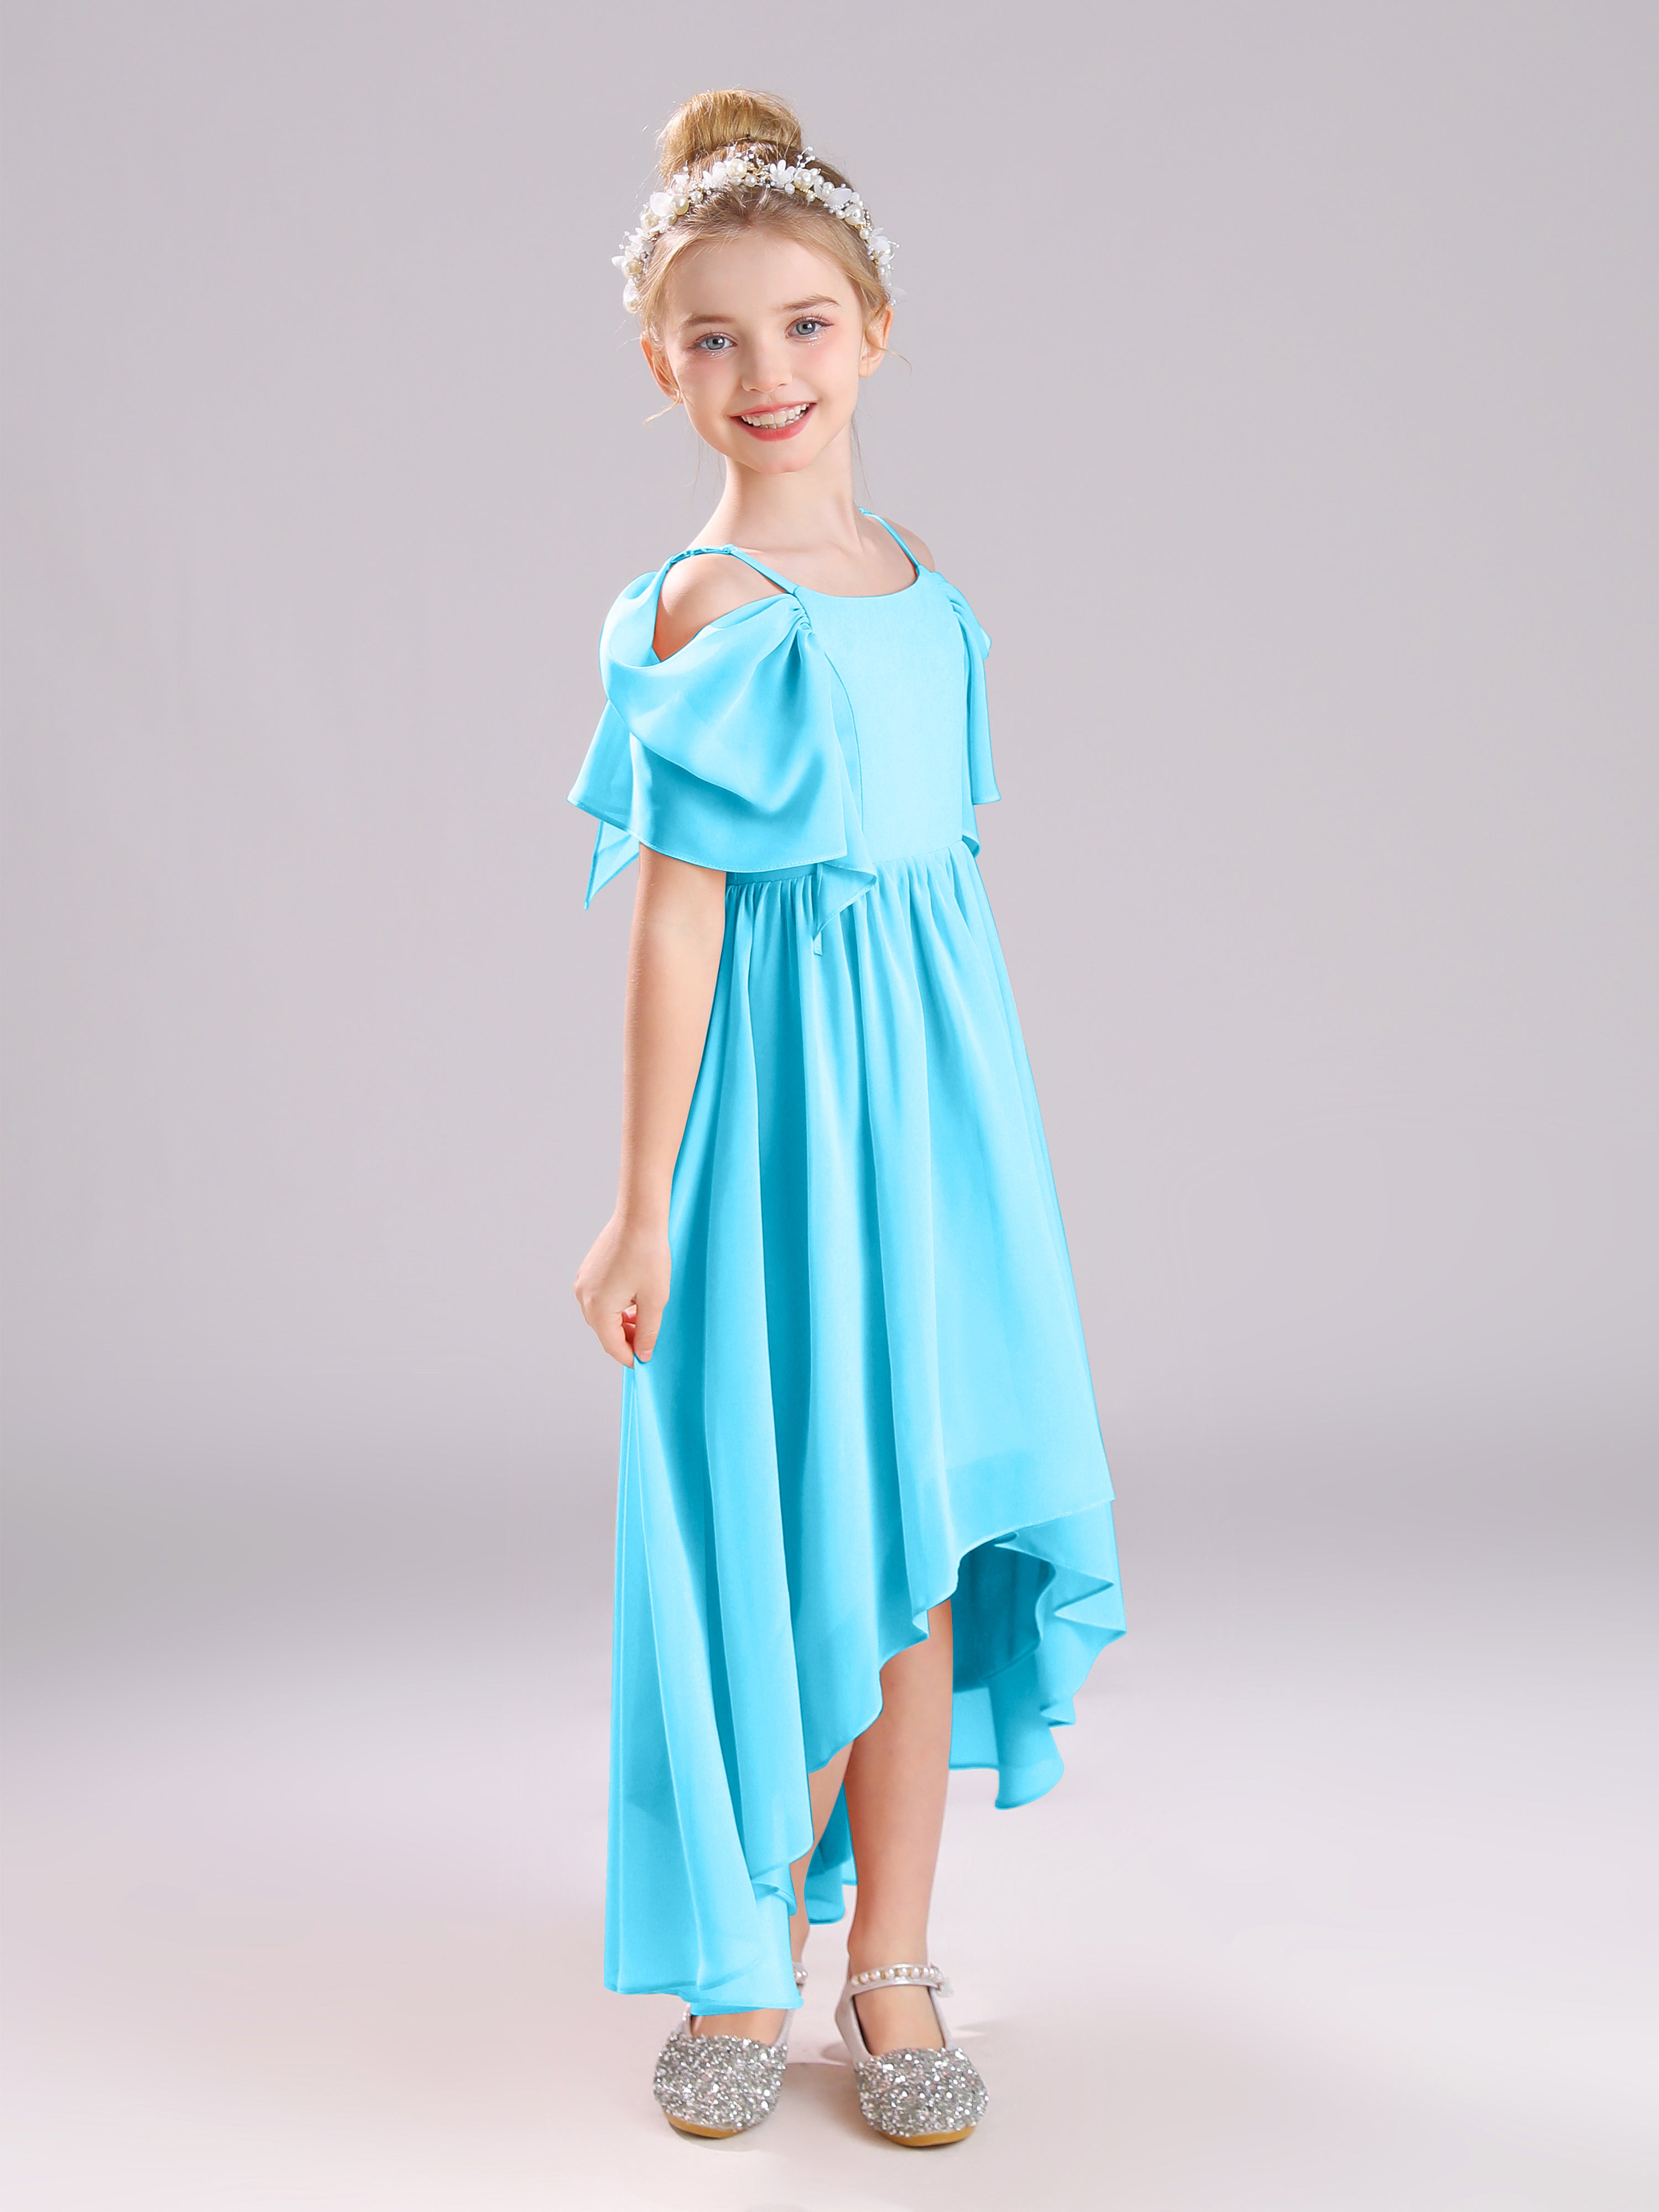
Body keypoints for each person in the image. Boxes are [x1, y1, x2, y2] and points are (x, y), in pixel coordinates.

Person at [569, 88, 1125, 2149]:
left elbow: (936, 886)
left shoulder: (922, 589)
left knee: (918, 1517)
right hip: (779, 1135)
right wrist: (642, 1206)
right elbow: (679, 926)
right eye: (715, 338)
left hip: (941, 1117)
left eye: (804, 326)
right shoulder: (706, 610)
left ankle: (893, 1955)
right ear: (662, 366)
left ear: (875, 332)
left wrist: (974, 1142)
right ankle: (741, 1962)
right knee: (790, 1508)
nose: (766, 372)